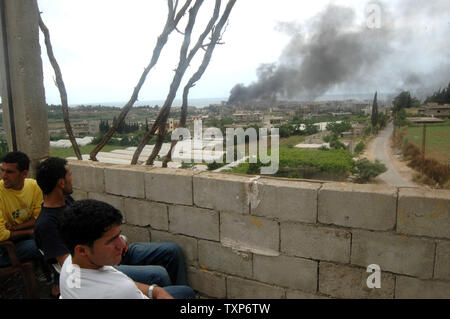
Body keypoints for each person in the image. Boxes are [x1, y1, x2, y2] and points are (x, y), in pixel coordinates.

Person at [34, 157, 194, 299]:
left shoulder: (68, 203)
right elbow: (70, 268)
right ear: (61, 182)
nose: (72, 178)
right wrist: (106, 273)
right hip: (99, 261)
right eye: (69, 174)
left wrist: (116, 244)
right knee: (163, 277)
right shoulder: (47, 224)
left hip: (99, 256)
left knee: (172, 251)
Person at [59, 199, 185, 299]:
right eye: (111, 240)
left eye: (119, 236)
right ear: (82, 250)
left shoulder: (70, 263)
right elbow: (121, 289)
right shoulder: (119, 290)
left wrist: (154, 291)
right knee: (185, 292)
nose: (122, 244)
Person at [0, 151, 43, 267]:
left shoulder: (34, 186)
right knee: (36, 246)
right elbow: (1, 235)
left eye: (9, 172)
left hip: (19, 236)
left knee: (48, 235)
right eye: (2, 170)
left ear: (24, 174)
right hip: (4, 245)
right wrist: (29, 230)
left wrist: (15, 228)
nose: (3, 176)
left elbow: (38, 218)